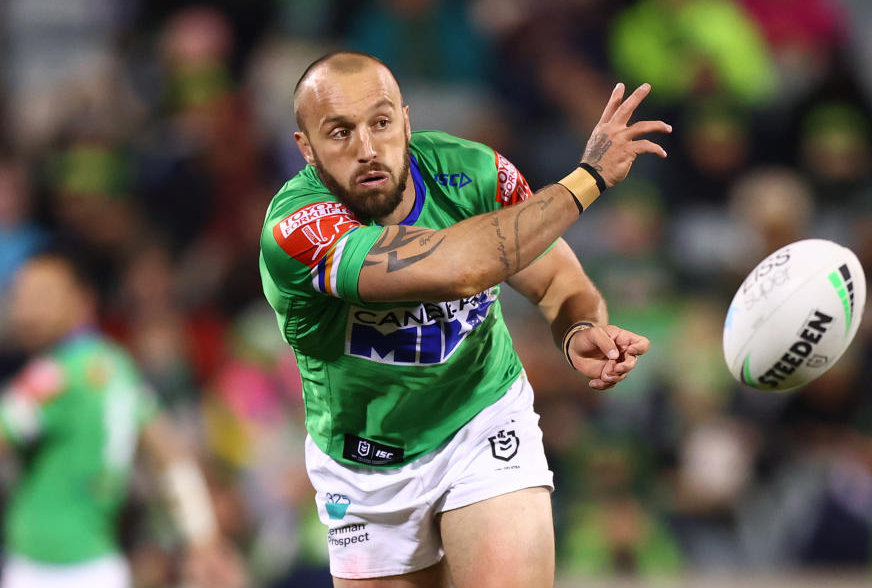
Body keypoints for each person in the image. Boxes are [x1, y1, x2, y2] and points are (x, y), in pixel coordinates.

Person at [259, 50, 671, 587]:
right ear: (306, 149)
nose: (366, 149)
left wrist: (576, 328)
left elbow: (554, 279)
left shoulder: (472, 172)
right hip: (365, 463)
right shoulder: (296, 230)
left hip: (482, 420)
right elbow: (457, 267)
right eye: (339, 133)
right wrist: (588, 178)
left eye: (381, 123)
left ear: (406, 121)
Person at [0, 251, 243, 588]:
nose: (25, 309)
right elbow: (172, 457)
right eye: (21, 295)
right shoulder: (117, 366)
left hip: (44, 568)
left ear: (81, 301)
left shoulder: (53, 376)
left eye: (41, 295)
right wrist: (202, 537)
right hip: (102, 567)